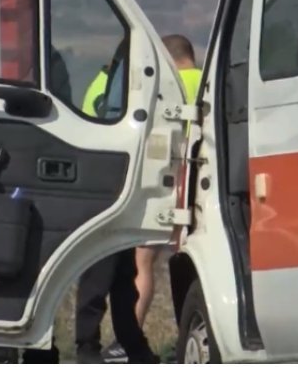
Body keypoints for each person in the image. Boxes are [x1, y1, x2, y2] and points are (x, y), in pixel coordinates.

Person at [102, 34, 202, 364]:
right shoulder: (206, 81)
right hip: (202, 186)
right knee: (196, 262)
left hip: (164, 183)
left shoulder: (162, 84)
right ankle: (194, 334)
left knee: (142, 264)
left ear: (168, 59)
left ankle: (125, 341)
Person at [74, 46, 159, 365]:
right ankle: (89, 348)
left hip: (113, 180)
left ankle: (130, 346)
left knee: (121, 273)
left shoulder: (107, 79)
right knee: (104, 269)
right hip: (114, 180)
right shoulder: (127, 75)